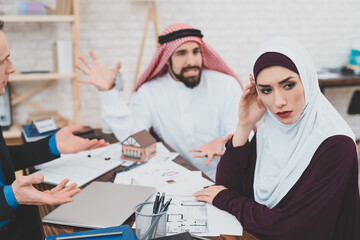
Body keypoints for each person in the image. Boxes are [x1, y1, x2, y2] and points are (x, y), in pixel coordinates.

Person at [194, 37, 360, 239]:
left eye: (288, 85)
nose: (279, 102)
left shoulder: (336, 146)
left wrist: (228, 200)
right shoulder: (268, 132)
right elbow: (229, 187)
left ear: (306, 80)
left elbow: (292, 228)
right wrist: (244, 126)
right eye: (266, 90)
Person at [76, 23, 246, 179]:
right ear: (166, 59)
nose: (192, 61)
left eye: (196, 51)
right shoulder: (150, 92)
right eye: (181, 53)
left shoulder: (225, 85)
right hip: (180, 177)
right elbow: (133, 136)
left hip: (229, 176)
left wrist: (225, 141)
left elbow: (242, 130)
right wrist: (108, 92)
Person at [0, 20, 109, 240]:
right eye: (2, 61)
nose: (11, 67)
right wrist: (10, 196)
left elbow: (3, 160)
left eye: (8, 57)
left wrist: (51, 145)